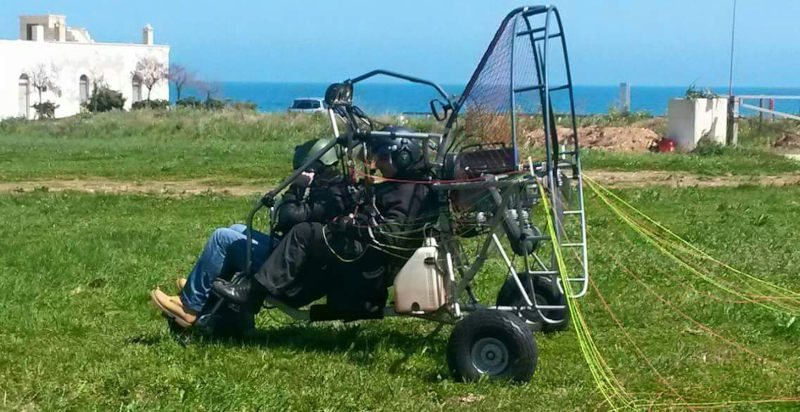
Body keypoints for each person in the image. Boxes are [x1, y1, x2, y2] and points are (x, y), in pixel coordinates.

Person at [212, 126, 438, 316]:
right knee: (246, 231)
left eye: (381, 157)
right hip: (365, 253)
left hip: (367, 260)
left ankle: (253, 293)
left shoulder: (409, 192)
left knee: (304, 233)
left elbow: (391, 232)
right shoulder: (406, 186)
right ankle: (219, 301)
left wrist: (351, 224)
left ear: (403, 156)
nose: (377, 164)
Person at [150, 137, 352, 328]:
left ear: (314, 167)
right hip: (297, 257)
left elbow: (285, 219)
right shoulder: (333, 186)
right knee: (236, 229)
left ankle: (190, 307)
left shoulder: (329, 197)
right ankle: (203, 289)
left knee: (222, 238)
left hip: (293, 270)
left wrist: (295, 189)